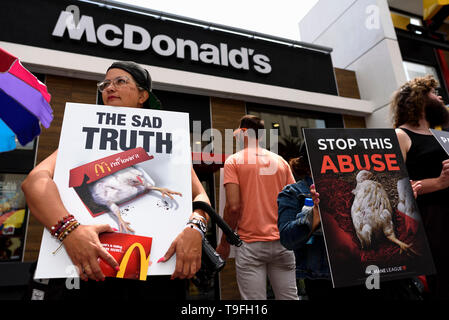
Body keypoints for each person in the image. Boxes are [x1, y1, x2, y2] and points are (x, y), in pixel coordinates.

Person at [21, 61, 211, 299]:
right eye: (105, 84)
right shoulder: (83, 135)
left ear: (143, 95)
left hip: (157, 271)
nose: (109, 88)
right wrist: (69, 232)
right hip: (89, 270)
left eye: (120, 81)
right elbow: (35, 181)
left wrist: (196, 226)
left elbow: (199, 195)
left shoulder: (167, 139)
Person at [277, 143, 423, 300]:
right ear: (307, 164)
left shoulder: (356, 185)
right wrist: (314, 214)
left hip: (379, 275)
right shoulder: (294, 193)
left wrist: (405, 204)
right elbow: (287, 238)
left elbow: (388, 224)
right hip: (329, 283)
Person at [216, 115, 298, 300]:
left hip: (251, 245)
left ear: (244, 133)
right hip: (283, 243)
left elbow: (233, 207)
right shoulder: (281, 162)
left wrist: (223, 243)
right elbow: (295, 200)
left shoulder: (234, 161)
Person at [392, 75, 449, 299]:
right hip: (433, 219)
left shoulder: (443, 134)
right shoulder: (401, 135)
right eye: (434, 93)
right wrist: (439, 182)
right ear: (419, 100)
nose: (439, 96)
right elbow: (396, 187)